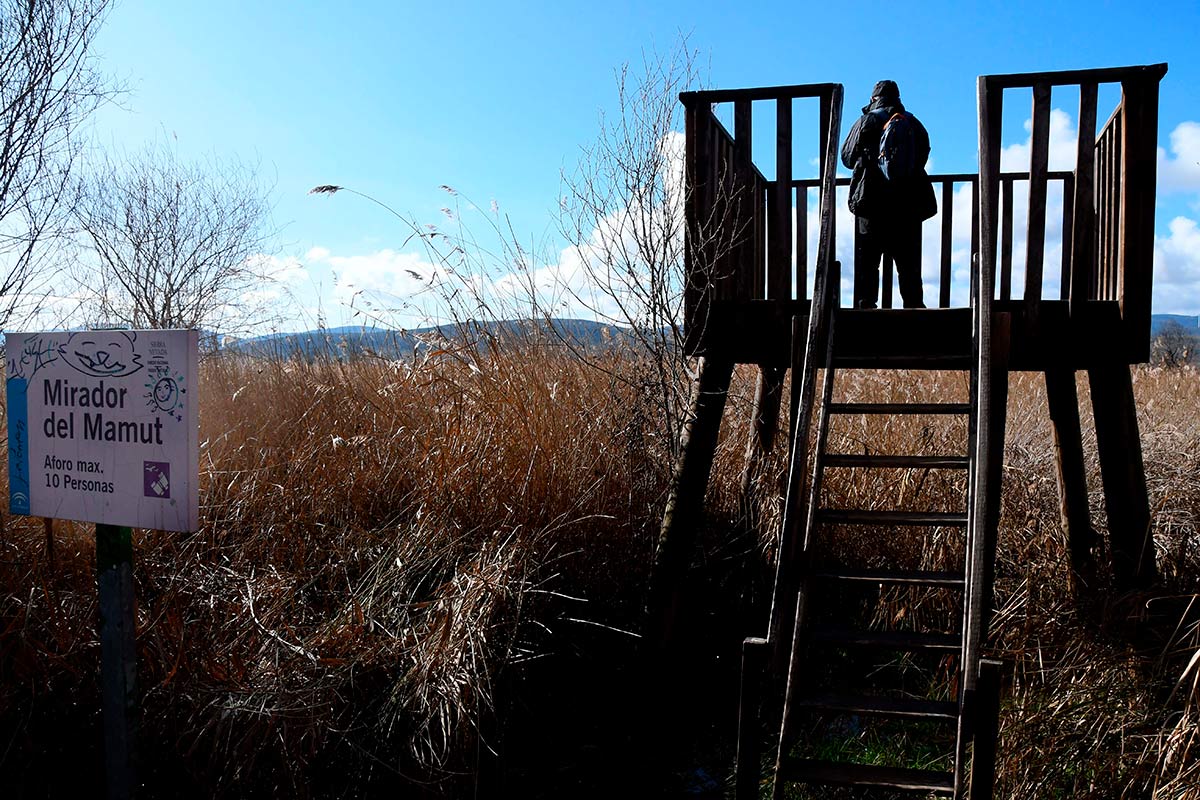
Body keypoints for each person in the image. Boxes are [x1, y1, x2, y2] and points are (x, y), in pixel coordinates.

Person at [840, 80, 937, 309]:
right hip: (908, 204)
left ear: (874, 98)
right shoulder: (913, 123)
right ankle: (914, 310)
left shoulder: (867, 120)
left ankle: (866, 307)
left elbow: (846, 157)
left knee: (868, 262)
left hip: (872, 201)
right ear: (898, 98)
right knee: (909, 264)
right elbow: (922, 156)